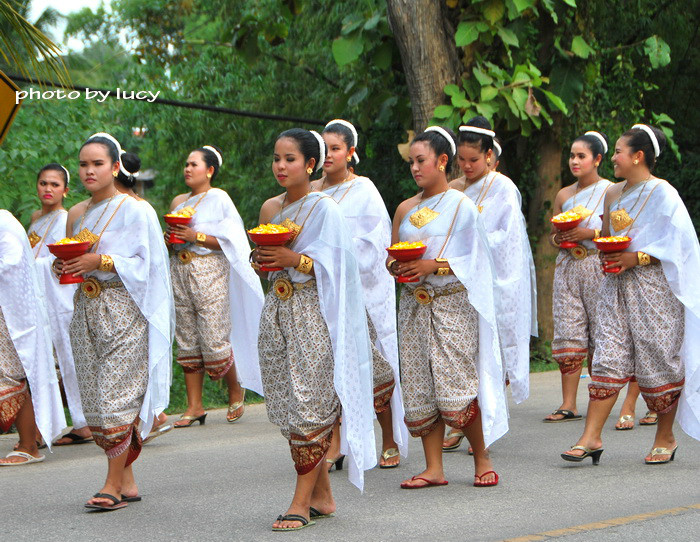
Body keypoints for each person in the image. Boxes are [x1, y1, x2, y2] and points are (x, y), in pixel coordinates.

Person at [253, 128, 375, 530]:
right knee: (289, 406)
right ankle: (323, 495)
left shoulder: (325, 209)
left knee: (310, 406)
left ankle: (300, 503)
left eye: (290, 159)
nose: (280, 166)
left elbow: (342, 269)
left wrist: (296, 259)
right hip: (277, 311)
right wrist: (264, 260)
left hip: (313, 312)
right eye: (276, 158)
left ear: (310, 163)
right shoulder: (271, 208)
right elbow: (265, 257)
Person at [561, 124, 700, 465]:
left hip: (654, 289)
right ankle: (590, 437)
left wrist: (635, 257)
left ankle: (665, 436)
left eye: (620, 152)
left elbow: (681, 247)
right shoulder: (613, 194)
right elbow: (607, 235)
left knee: (658, 358)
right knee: (608, 352)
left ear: (638, 156)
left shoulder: (663, 193)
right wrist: (606, 253)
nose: (615, 158)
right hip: (615, 286)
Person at [389, 126, 506, 489]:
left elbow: (478, 259)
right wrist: (400, 268)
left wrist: (432, 266)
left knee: (455, 385)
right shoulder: (405, 208)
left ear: (442, 161)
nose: (414, 168)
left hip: (452, 303)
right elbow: (391, 258)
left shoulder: (462, 207)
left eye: (421, 160)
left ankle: (482, 457)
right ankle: (433, 467)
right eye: (411, 162)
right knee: (419, 385)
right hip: (413, 306)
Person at [60, 132, 172, 510]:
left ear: (115, 166)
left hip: (125, 309)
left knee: (115, 398)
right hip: (86, 309)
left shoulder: (136, 210)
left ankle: (109, 484)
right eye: (83, 164)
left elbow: (151, 266)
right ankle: (127, 481)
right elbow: (71, 262)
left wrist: (102, 261)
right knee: (94, 397)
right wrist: (67, 264)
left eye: (98, 164)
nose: (89, 170)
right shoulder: (77, 213)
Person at [312, 119, 407, 470]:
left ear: (351, 152)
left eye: (336, 148)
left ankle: (389, 437)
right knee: (328, 364)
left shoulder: (364, 190)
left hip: (363, 293)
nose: (329, 155)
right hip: (324, 290)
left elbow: (376, 244)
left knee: (375, 364)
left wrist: (337, 253)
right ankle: (336, 443)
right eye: (324, 149)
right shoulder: (312, 192)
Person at [443, 117, 536, 452]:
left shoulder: (503, 188)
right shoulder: (454, 188)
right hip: (458, 282)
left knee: (487, 353)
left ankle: (484, 423)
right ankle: (464, 421)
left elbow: (505, 239)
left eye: (474, 160)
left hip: (494, 282)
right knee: (463, 354)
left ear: (490, 156)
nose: (467, 166)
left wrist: (470, 243)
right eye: (462, 160)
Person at [167, 145, 264, 427]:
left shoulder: (219, 198)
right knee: (186, 337)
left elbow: (231, 240)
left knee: (213, 335)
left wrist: (194, 235)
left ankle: (236, 389)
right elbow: (176, 238)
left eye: (194, 164)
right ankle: (194, 406)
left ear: (209, 170)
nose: (187, 168)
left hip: (210, 270)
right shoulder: (178, 202)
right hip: (181, 270)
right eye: (186, 164)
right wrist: (171, 238)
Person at [544, 131, 613, 423]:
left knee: (602, 331)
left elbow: (616, 233)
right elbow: (552, 237)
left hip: (597, 265)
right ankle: (568, 403)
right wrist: (559, 239)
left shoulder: (611, 191)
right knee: (568, 331)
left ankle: (600, 400)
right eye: (572, 155)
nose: (574, 161)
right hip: (568, 267)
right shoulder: (564, 195)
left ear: (597, 159)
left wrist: (589, 234)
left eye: (581, 156)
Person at [26, 164, 91, 447]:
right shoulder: (35, 219)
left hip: (61, 300)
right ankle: (49, 425)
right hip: (37, 300)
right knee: (42, 363)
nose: (48, 189)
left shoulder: (66, 218)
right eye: (43, 183)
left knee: (68, 359)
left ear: (65, 190)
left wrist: (33, 266)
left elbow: (62, 260)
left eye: (54, 185)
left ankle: (82, 422)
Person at [0, 209, 65, 465]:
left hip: (10, 314)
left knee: (10, 375)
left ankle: (28, 446)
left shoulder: (4, 221)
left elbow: (11, 265)